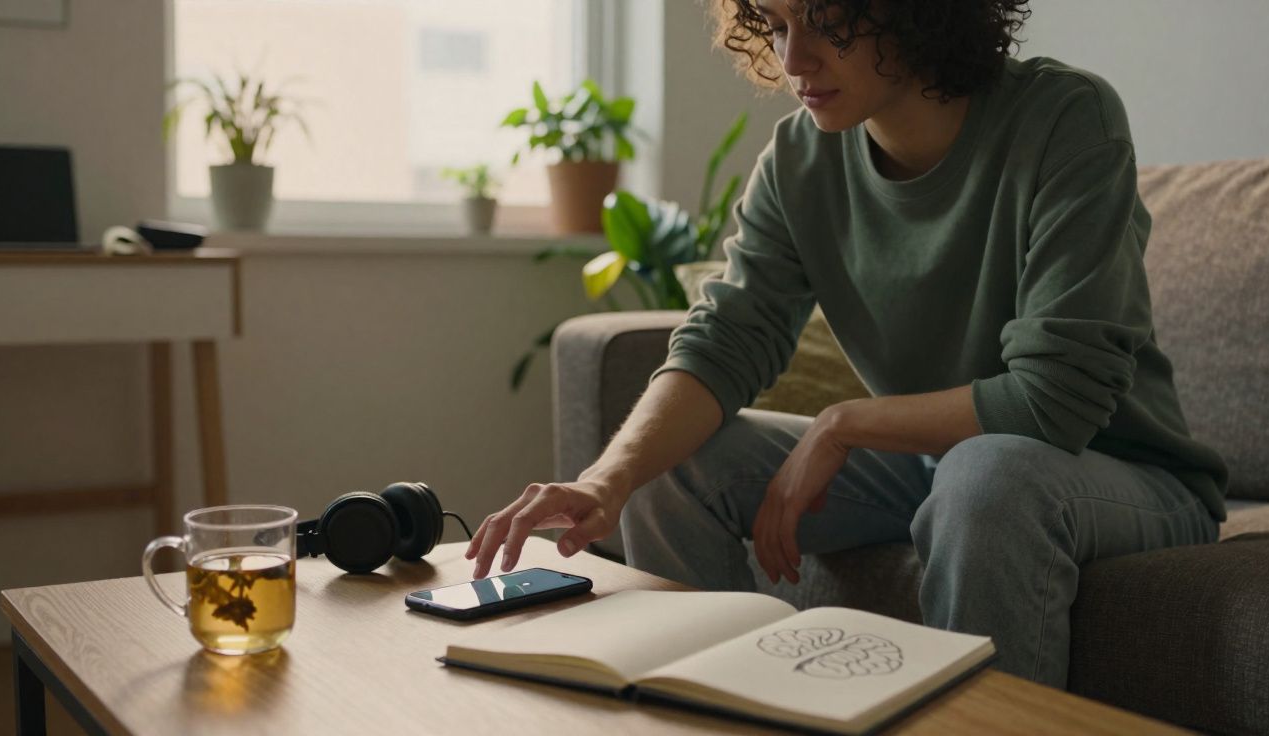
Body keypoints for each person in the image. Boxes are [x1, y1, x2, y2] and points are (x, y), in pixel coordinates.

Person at [466, 0, 1227, 689]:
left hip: (1119, 474)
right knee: (674, 468)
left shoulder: (1067, 117)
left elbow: (1057, 399)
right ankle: (716, 708)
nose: (793, 61)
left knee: (985, 478)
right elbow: (725, 341)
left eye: (825, 22)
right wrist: (608, 479)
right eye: (775, 23)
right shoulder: (800, 160)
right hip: (941, 469)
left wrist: (846, 422)